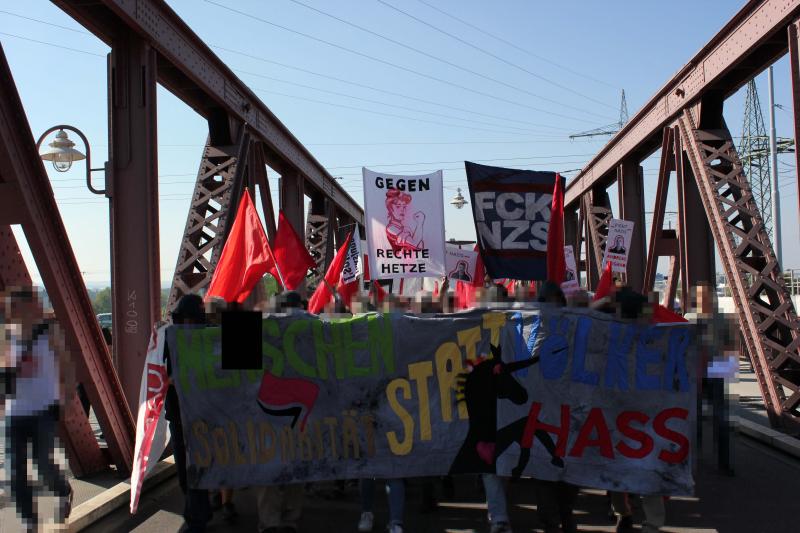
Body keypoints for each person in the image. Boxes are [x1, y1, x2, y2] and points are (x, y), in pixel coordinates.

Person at [2, 287, 73, 532]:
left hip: (44, 409)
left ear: (30, 307)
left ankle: (62, 490)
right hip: (15, 412)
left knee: (42, 463)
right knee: (14, 470)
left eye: (15, 307)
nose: (11, 313)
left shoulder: (48, 332)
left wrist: (68, 397)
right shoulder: (6, 336)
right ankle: (29, 522)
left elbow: (65, 364)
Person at [601, 287, 667, 533]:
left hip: (616, 412)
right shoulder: (658, 336)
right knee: (648, 469)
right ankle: (651, 523)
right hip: (647, 414)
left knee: (616, 469)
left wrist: (605, 301)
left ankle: (623, 513)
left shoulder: (608, 335)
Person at [256, 290, 308, 533]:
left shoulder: (261, 328)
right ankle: (288, 518)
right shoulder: (312, 329)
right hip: (301, 410)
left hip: (267, 410)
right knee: (294, 466)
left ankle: (271, 521)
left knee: (269, 467)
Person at [532, 282, 579, 533]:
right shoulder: (534, 329)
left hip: (562, 416)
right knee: (548, 476)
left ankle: (563, 517)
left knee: (560, 476)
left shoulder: (536, 330)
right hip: (546, 417)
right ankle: (557, 520)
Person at [164, 294, 213, 533]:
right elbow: (159, 372)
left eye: (194, 319)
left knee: (196, 468)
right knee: (186, 470)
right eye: (186, 319)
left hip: (204, 415)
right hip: (179, 415)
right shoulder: (168, 338)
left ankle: (197, 518)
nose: (190, 324)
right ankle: (200, 511)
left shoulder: (212, 335)